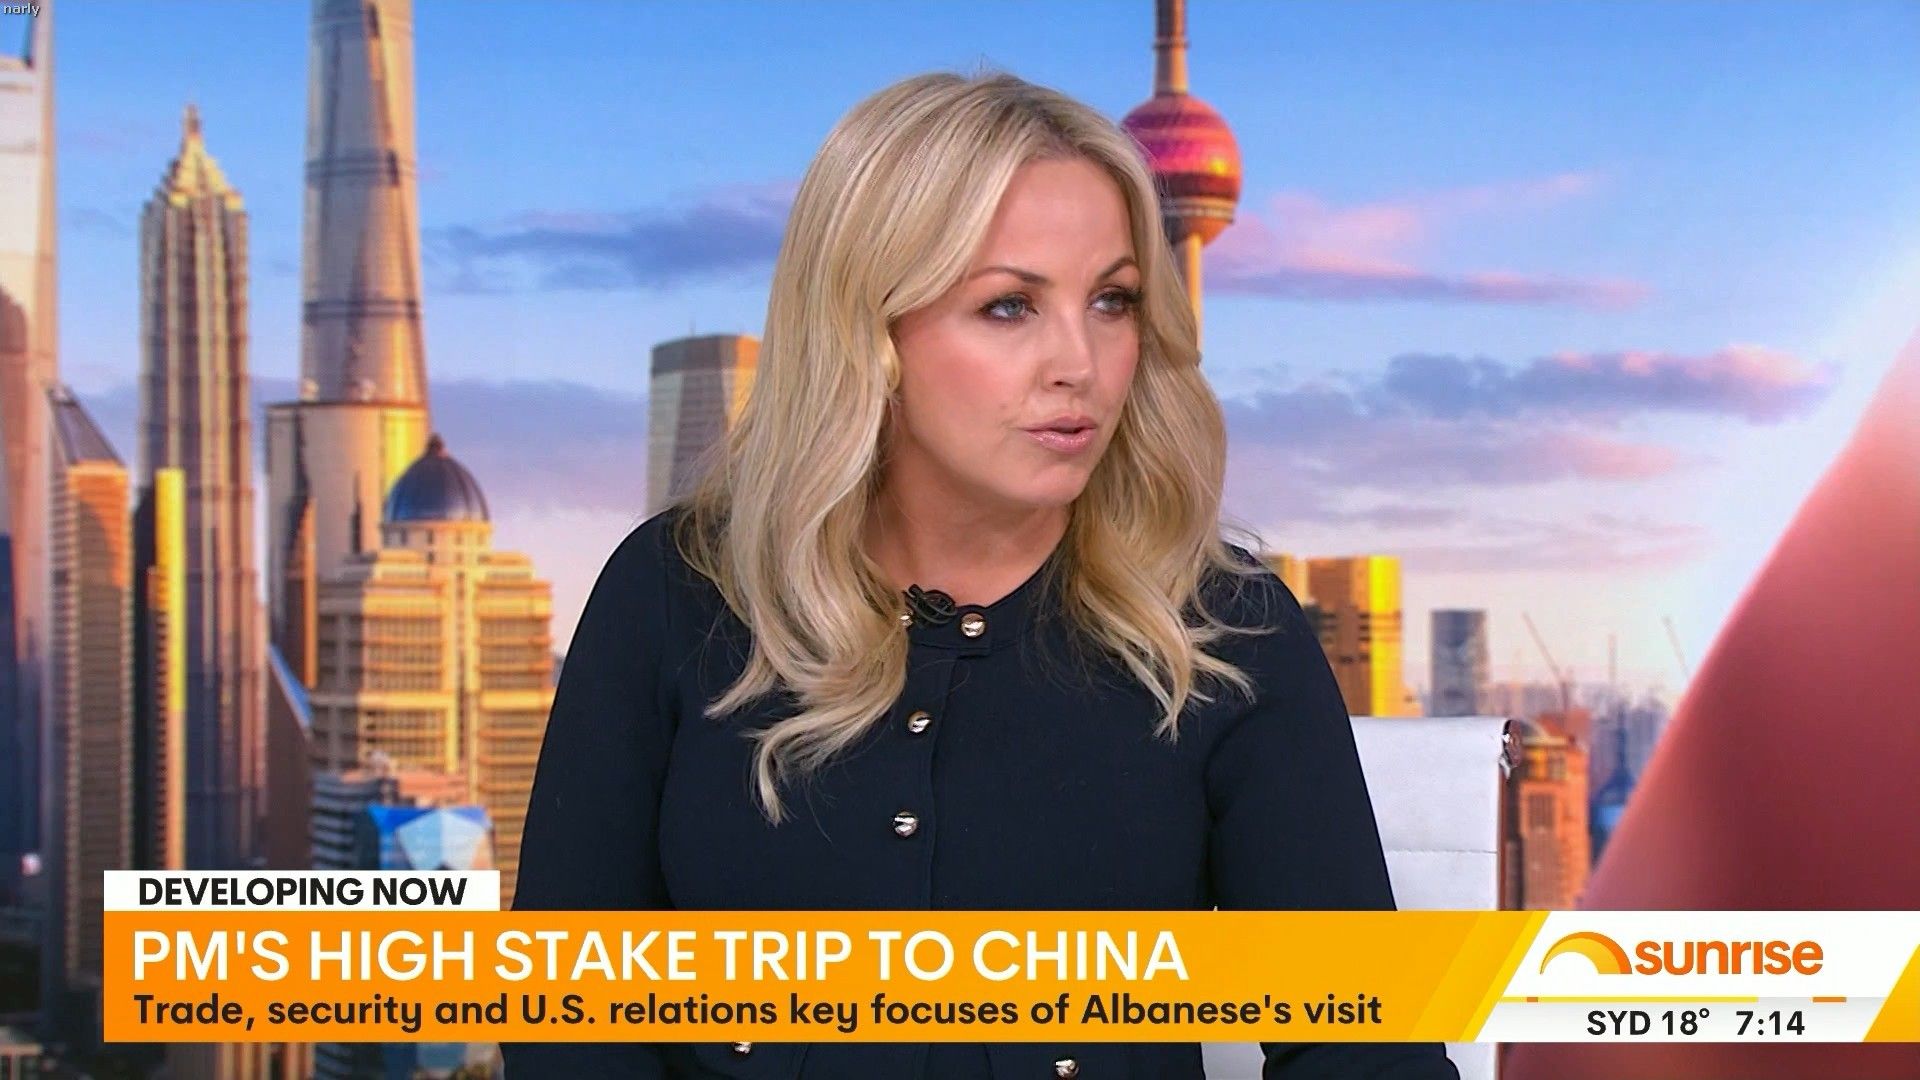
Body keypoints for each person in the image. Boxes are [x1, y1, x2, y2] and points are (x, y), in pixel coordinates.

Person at [503, 69, 1458, 1079]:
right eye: (1009, 307)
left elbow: (1364, 1050)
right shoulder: (672, 594)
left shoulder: (1230, 628)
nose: (1080, 362)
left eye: (1114, 301)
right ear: (869, 331)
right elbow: (570, 1026)